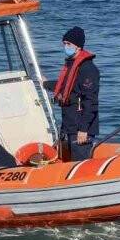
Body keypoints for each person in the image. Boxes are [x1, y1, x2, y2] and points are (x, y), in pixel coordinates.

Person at [45, 26, 100, 161]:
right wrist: (45, 84)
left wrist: (83, 129)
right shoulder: (72, 65)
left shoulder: (87, 69)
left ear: (78, 47)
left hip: (80, 127)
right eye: (64, 44)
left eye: (69, 44)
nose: (66, 47)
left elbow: (90, 101)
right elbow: (66, 86)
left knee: (80, 161)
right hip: (69, 124)